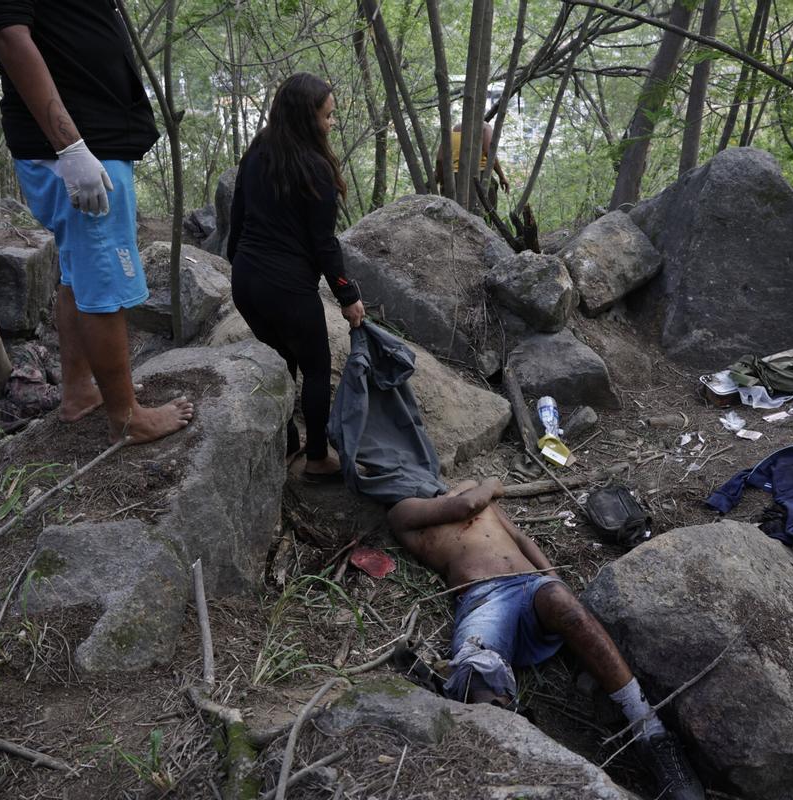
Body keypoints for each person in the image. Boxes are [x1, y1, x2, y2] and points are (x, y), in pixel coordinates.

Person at [387, 478, 705, 800]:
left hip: (530, 586)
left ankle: (651, 732)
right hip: (484, 598)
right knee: (477, 673)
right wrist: (491, 484)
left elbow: (520, 538)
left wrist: (553, 579)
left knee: (565, 605)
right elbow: (466, 506)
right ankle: (527, 762)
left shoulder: (470, 490)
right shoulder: (405, 509)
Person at [0, 0, 194, 445]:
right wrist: (70, 147)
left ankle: (78, 392)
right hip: (76, 146)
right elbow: (9, 36)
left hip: (92, 140)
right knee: (104, 279)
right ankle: (126, 418)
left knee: (78, 272)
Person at [227, 74, 365, 481]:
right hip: (285, 286)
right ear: (308, 118)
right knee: (316, 368)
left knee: (281, 363)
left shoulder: (256, 153)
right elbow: (324, 245)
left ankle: (288, 441)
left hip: (247, 279)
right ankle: (318, 458)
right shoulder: (315, 169)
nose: (331, 123)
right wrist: (348, 295)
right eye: (328, 116)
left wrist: (242, 268)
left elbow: (237, 221)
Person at [435, 123, 510, 208]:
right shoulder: (485, 127)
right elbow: (489, 152)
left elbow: (440, 160)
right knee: (486, 215)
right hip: (480, 177)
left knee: (456, 216)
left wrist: (443, 183)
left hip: (454, 180)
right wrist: (502, 176)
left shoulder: (451, 133)